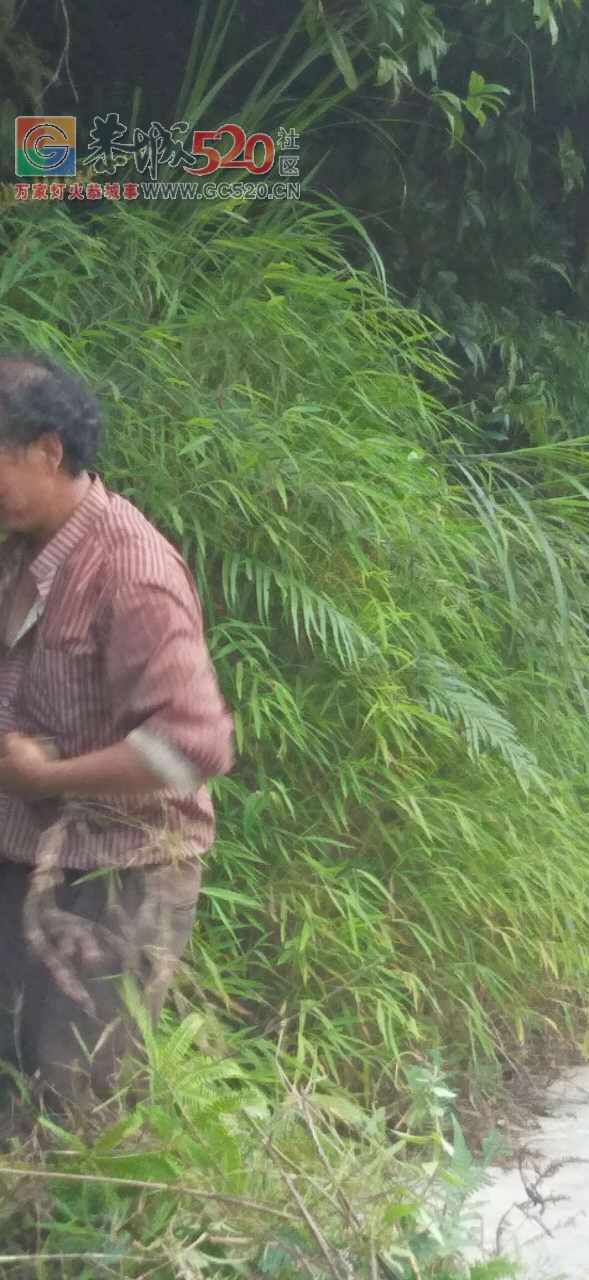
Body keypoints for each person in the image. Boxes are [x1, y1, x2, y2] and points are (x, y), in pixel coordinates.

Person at [0, 352, 233, 1114]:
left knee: (78, 1106)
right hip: (20, 857)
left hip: (118, 880)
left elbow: (193, 746)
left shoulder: (131, 567)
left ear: (47, 452)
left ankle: (87, 1235)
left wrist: (50, 778)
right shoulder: (19, 547)